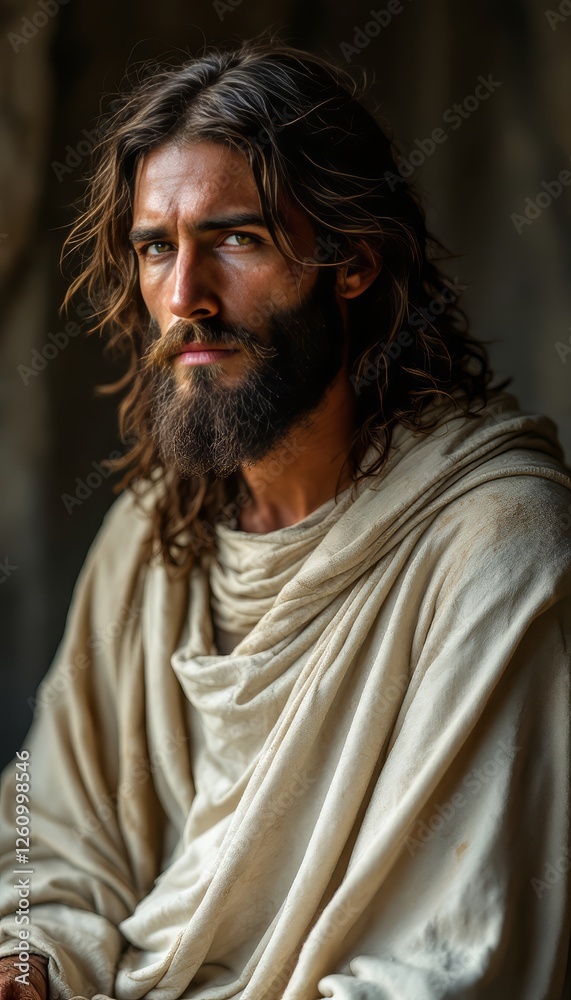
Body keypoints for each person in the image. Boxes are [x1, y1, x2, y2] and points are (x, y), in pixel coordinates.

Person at [0, 36, 570, 1000]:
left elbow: (441, 967)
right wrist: (30, 964)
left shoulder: (496, 543)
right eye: (155, 248)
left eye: (236, 238)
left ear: (350, 261)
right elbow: (49, 840)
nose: (184, 297)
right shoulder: (153, 536)